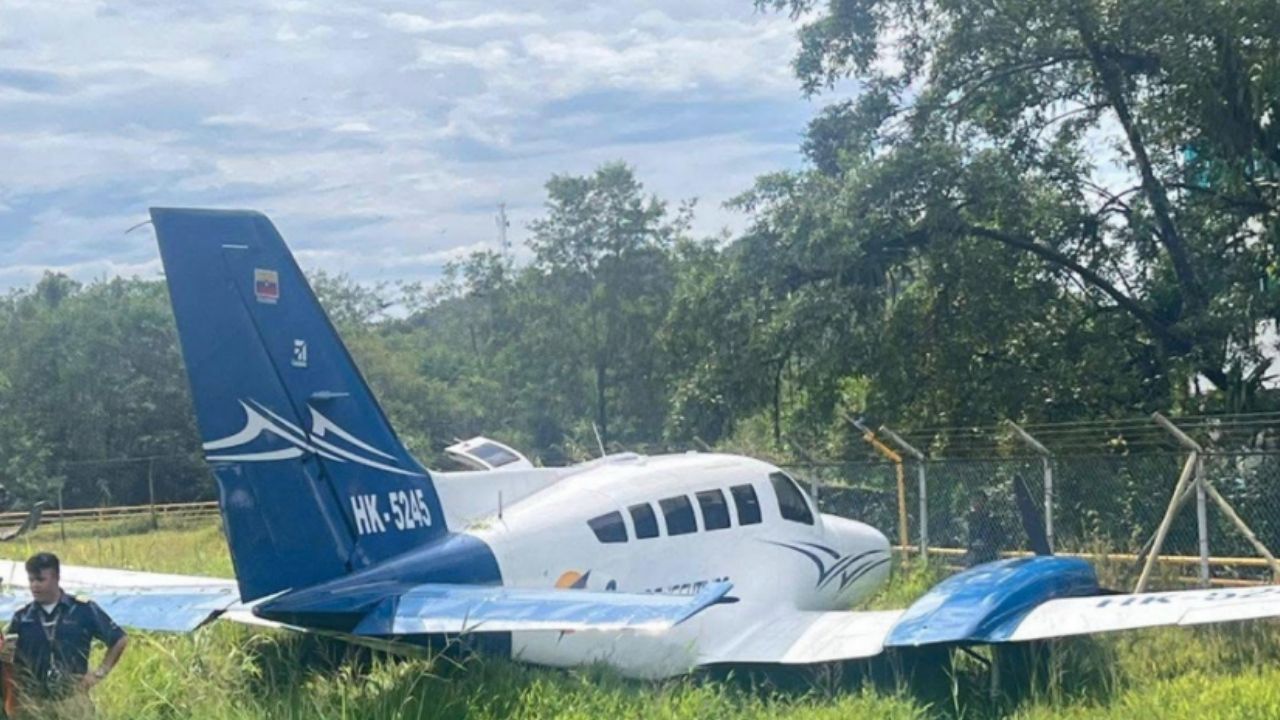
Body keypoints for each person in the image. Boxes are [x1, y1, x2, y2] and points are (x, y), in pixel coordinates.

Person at [6, 553, 127, 716]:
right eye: (31, 580)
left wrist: (99, 673)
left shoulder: (83, 610)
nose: (35, 586)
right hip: (34, 701)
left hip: (72, 700)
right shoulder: (22, 617)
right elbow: (8, 657)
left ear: (56, 578)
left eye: (40, 580)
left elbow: (119, 639)